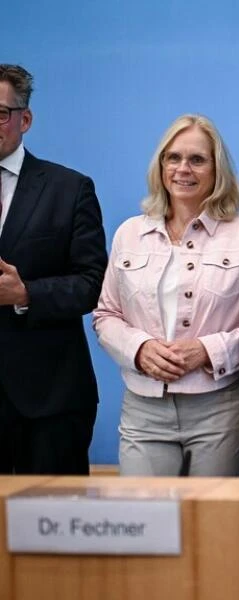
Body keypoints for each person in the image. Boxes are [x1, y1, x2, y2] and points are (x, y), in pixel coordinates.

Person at [93, 114, 239, 476]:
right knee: (144, 523)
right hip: (143, 408)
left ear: (217, 170)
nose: (183, 169)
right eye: (174, 158)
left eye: (197, 159)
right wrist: (139, 349)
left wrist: (208, 350)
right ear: (161, 165)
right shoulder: (130, 233)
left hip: (222, 408)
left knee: (216, 526)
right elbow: (105, 314)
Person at [0, 64, 107, 475]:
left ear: (25, 119)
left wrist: (26, 295)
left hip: (48, 402)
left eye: (0, 112)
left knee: (52, 533)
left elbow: (91, 283)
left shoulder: (69, 188)